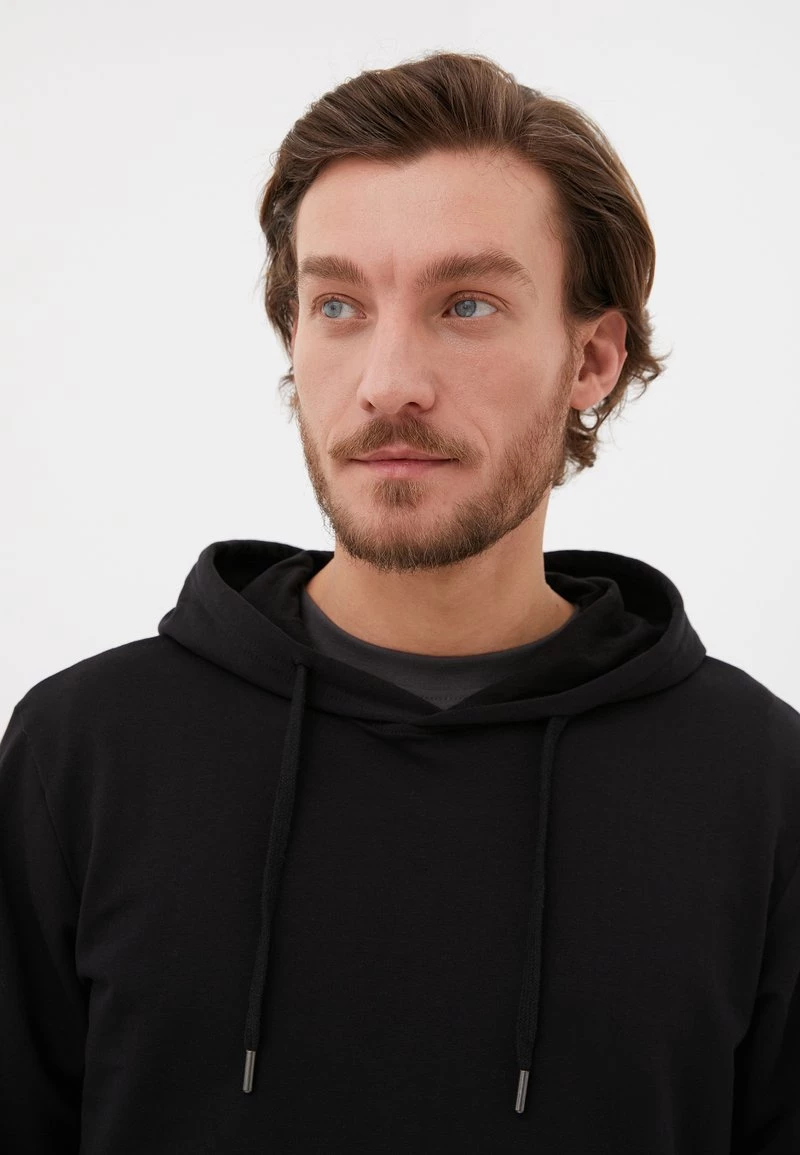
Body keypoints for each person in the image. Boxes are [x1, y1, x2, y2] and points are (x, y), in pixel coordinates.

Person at [1, 49, 798, 1155]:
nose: (387, 382)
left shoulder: (759, 784)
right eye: (337, 304)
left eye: (466, 304)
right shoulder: (81, 754)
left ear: (592, 359)